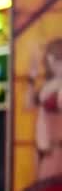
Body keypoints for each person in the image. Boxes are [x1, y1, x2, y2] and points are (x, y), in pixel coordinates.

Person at [27, 38, 62, 180]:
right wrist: (31, 78)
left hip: (56, 148)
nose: (54, 65)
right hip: (44, 148)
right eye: (51, 60)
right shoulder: (48, 86)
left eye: (58, 60)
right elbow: (29, 105)